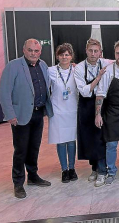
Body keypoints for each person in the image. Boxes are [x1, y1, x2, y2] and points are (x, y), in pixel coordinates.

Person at [0, 39, 54, 199]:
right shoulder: (13, 66)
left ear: (40, 52)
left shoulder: (43, 65)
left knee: (34, 148)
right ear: (24, 50)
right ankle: (18, 183)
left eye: (36, 51)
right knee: (20, 150)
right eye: (30, 50)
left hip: (38, 113)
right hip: (21, 115)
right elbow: (4, 93)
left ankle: (33, 176)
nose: (33, 53)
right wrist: (10, 115)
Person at [95, 41, 119, 185]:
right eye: (117, 53)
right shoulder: (108, 71)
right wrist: (98, 114)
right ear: (114, 54)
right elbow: (100, 95)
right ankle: (111, 171)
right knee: (111, 144)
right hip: (111, 111)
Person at [74, 39, 112, 187]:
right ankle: (95, 168)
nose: (93, 54)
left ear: (100, 52)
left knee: (101, 139)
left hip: (101, 104)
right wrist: (98, 78)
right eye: (91, 50)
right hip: (86, 105)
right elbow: (84, 91)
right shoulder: (78, 68)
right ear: (86, 50)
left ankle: (102, 171)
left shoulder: (106, 63)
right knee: (89, 139)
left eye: (96, 51)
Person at [48, 43, 78, 183]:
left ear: (71, 56)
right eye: (62, 54)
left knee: (71, 141)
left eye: (67, 54)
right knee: (60, 141)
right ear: (57, 56)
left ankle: (72, 169)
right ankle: (64, 170)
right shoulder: (51, 71)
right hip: (57, 110)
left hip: (72, 110)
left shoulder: (76, 69)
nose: (64, 57)